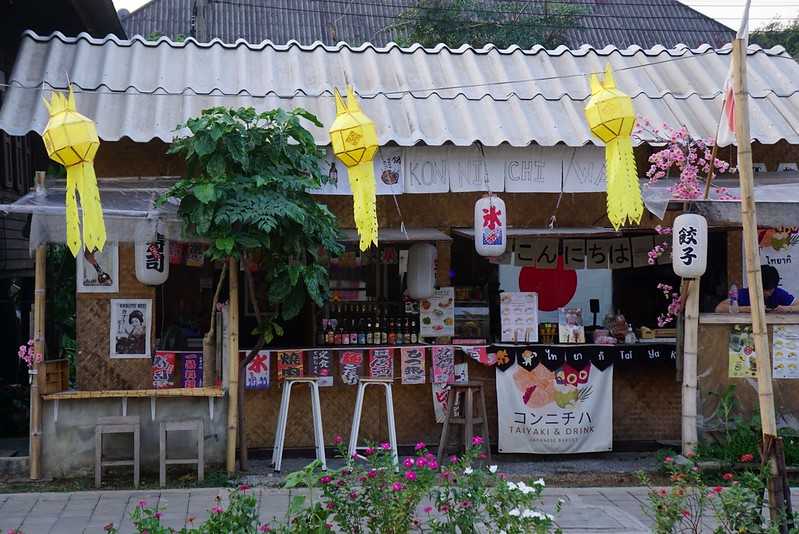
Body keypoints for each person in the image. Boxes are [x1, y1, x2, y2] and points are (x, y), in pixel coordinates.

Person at [715, 265, 799, 312]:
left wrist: (788, 308)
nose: (768, 293)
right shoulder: (743, 294)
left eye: (771, 290)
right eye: (765, 290)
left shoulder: (778, 293)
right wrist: (746, 309)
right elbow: (719, 308)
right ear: (757, 286)